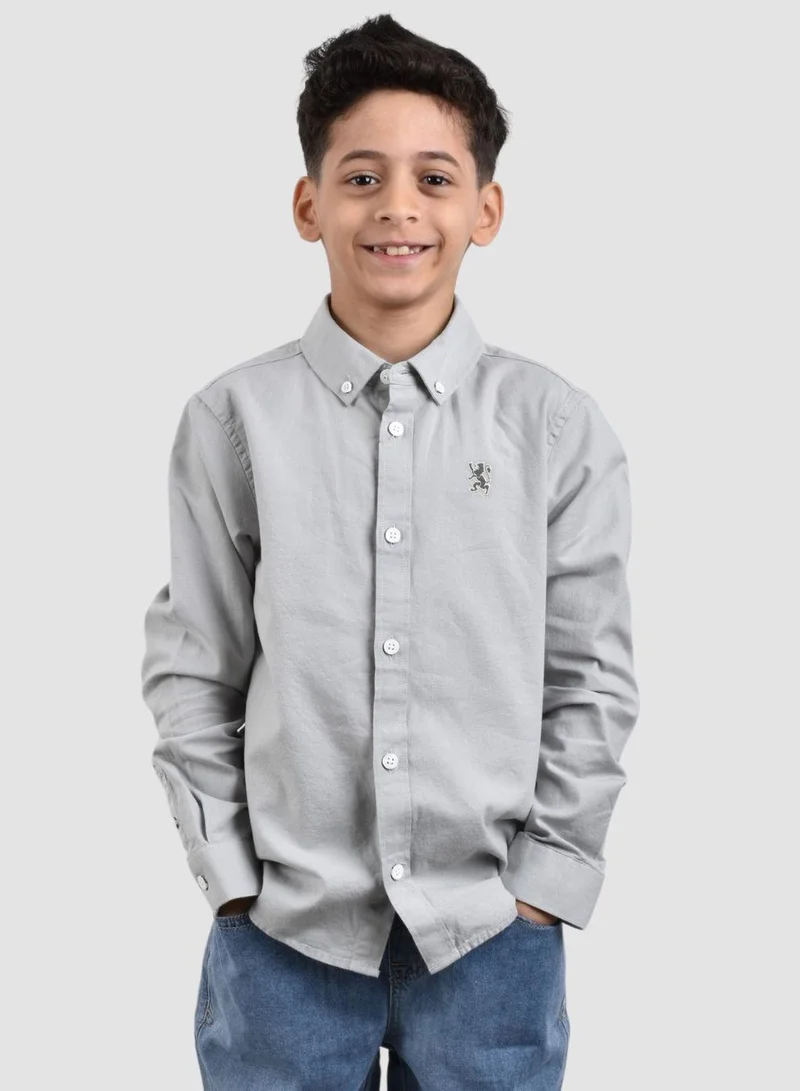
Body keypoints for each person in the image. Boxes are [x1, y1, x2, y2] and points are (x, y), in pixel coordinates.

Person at [140, 13, 639, 1090]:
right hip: (284, 931)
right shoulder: (233, 420)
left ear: (485, 209)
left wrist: (544, 885)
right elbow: (194, 663)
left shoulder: (554, 426)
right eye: (361, 177)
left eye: (434, 178)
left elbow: (590, 676)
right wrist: (231, 875)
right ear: (307, 204)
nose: (398, 207)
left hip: (491, 933)